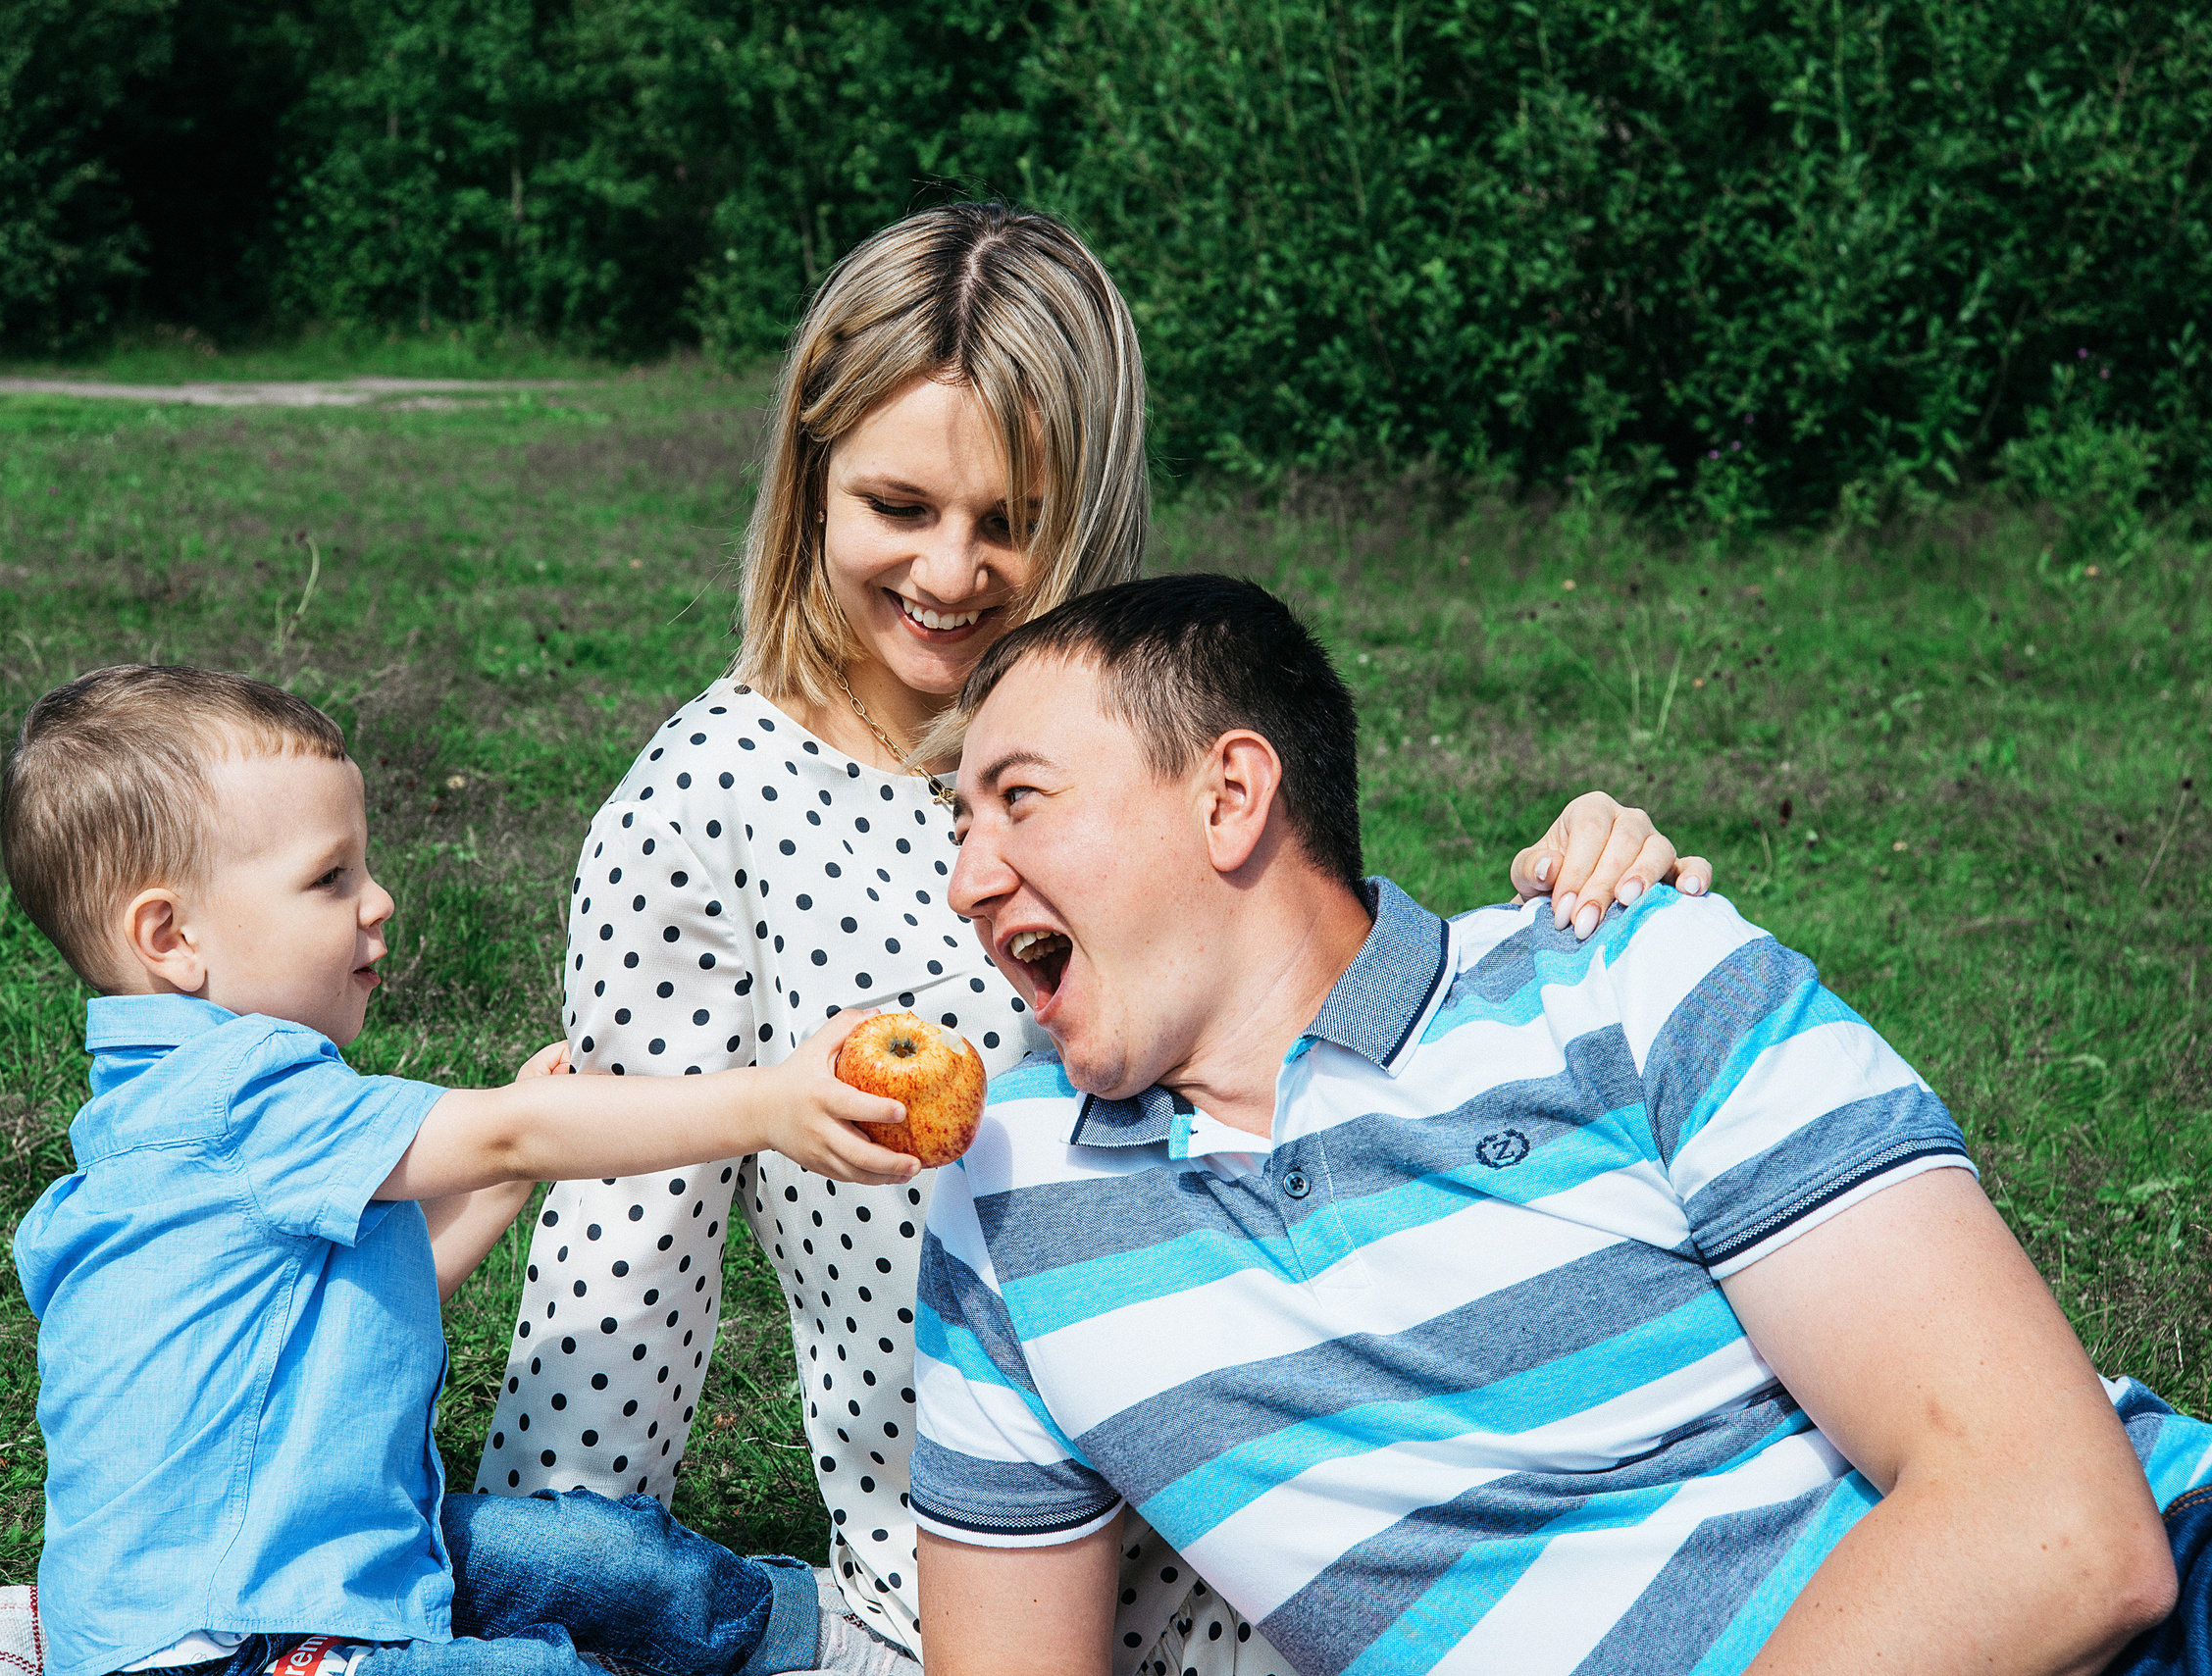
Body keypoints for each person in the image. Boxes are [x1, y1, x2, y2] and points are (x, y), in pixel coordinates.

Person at [475, 200, 1719, 1669]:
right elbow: (626, 1255)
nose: (950, 574)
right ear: (809, 481)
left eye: (1011, 522)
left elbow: (1338, 1034)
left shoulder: (1162, 729)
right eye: (899, 508)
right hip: (981, 1613)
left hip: (1336, 1567)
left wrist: (1580, 906)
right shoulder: (700, 811)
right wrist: (543, 1590)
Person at [909, 573, 2212, 1676]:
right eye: (958, 822)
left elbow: (2059, 1530)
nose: (969, 881)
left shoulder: (1620, 975)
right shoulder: (1007, 1198)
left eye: (1019, 799)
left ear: (1230, 796)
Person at [1, 665, 925, 1676]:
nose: (378, 897)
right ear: (172, 936)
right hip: (228, 1644)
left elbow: (339, 1323)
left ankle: (828, 1642)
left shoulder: (166, 1121)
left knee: (603, 1552)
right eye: (331, 876)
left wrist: (497, 1190)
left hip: (331, 1561)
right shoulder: (242, 1097)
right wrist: (767, 1103)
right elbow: (510, 1129)